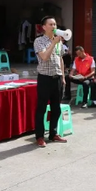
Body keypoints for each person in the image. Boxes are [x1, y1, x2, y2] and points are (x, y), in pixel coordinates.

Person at [33, 16, 68, 147]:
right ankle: (40, 136)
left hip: (57, 78)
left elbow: (61, 59)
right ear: (44, 27)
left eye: (55, 24)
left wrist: (63, 77)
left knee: (56, 108)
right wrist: (53, 43)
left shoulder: (60, 42)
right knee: (41, 108)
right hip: (44, 78)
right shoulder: (39, 41)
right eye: (51, 24)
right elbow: (44, 57)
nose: (54, 27)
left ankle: (53, 134)